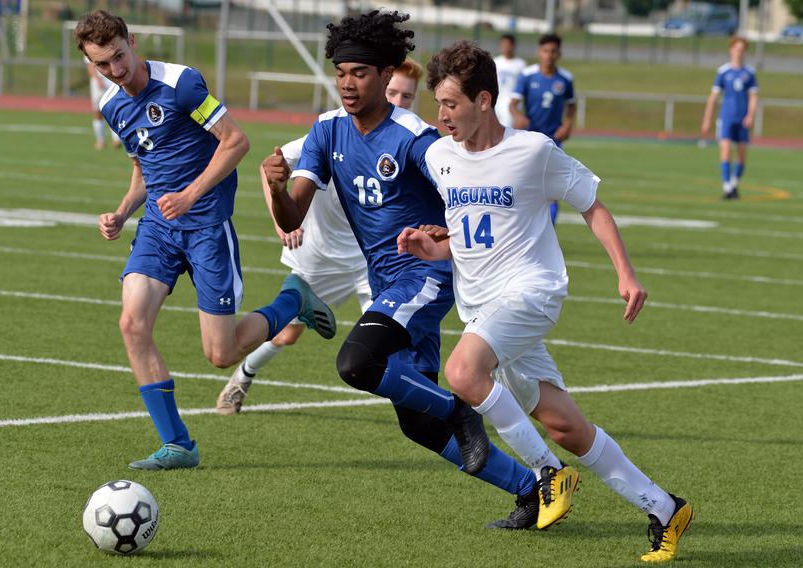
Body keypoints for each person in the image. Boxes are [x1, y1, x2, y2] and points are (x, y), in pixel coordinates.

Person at [397, 41, 693, 562]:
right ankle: (665, 507)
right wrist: (433, 246)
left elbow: (592, 206)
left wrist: (626, 274)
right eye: (438, 105)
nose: (441, 116)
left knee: (463, 372)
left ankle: (547, 475)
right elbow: (469, 233)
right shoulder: (441, 157)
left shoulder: (533, 150)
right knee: (566, 427)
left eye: (451, 104)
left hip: (531, 291)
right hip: (484, 307)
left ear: (484, 100)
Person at [262, 10, 559, 528]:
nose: (347, 84)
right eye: (340, 73)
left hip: (426, 276)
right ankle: (529, 492)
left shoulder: (415, 138)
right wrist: (274, 186)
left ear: (384, 75)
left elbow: (464, 196)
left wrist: (452, 236)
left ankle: (459, 409)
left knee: (357, 363)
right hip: (386, 282)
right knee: (415, 425)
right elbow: (294, 216)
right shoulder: (327, 132)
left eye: (359, 73)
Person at [75, 10, 336, 470]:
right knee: (132, 325)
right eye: (103, 65)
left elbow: (235, 141)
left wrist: (192, 194)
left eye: (119, 57)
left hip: (207, 226)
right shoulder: (114, 105)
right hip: (157, 227)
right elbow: (143, 169)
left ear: (132, 41)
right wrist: (121, 211)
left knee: (221, 352)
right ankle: (178, 444)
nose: (116, 70)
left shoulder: (183, 85)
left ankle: (292, 301)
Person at [216, 57, 426, 414]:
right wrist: (282, 221)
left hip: (371, 259)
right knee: (288, 334)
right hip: (321, 254)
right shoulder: (331, 129)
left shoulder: (409, 137)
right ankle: (244, 375)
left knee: (395, 336)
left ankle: (439, 410)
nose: (400, 102)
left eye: (407, 97)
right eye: (394, 93)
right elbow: (271, 168)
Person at [509, 33, 576, 225]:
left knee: (552, 190)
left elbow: (571, 104)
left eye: (553, 51)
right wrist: (518, 116)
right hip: (529, 140)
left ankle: (549, 230)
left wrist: (568, 124)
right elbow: (513, 103)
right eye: (546, 51)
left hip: (554, 141)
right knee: (522, 187)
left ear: (559, 54)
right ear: (540, 52)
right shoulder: (528, 75)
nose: (549, 55)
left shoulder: (565, 79)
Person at [701, 36, 758, 200]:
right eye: (736, 48)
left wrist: (750, 115)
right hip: (726, 118)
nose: (739, 52)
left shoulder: (749, 73)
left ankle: (733, 184)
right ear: (731, 50)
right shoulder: (723, 72)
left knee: (741, 155)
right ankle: (727, 187)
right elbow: (713, 97)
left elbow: (754, 97)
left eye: (742, 49)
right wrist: (707, 119)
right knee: (725, 151)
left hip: (742, 119)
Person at [86, 56, 122, 150]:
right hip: (98, 82)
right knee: (98, 112)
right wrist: (97, 80)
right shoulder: (88, 47)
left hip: (110, 80)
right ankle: (100, 140)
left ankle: (116, 139)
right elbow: (90, 66)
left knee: (113, 110)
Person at [493, 34, 526, 129]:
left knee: (506, 129)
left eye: (508, 44)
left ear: (513, 46)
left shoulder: (520, 64)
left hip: (511, 102)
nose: (506, 47)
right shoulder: (496, 62)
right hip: (496, 101)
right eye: (504, 44)